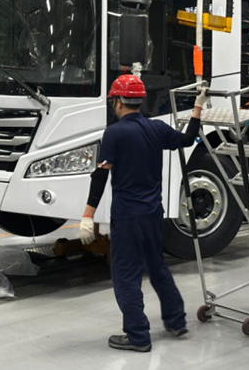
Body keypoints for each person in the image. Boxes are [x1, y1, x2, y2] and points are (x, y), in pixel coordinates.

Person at [79, 74, 207, 353]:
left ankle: (138, 336)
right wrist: (198, 107)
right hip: (153, 214)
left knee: (125, 276)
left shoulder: (114, 133)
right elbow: (188, 139)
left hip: (127, 217)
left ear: (117, 101)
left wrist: (88, 215)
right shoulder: (156, 128)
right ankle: (176, 321)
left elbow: (100, 176)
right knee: (157, 267)